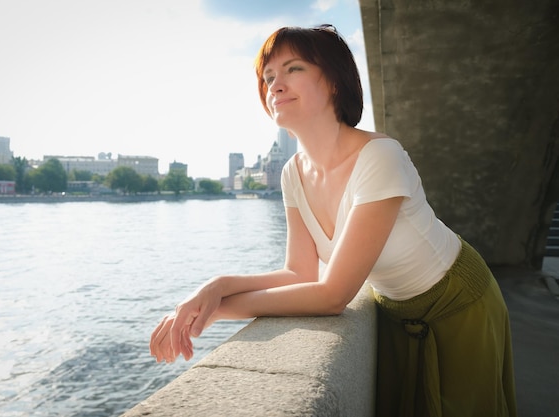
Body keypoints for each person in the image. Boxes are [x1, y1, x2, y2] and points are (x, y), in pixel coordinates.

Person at [150, 24, 517, 416]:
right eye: (268, 76)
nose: (274, 85)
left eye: (293, 69)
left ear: (335, 82)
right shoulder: (292, 172)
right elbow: (299, 273)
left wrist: (216, 311)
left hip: (458, 303)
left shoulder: (380, 157)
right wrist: (216, 286)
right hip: (395, 314)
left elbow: (331, 295)